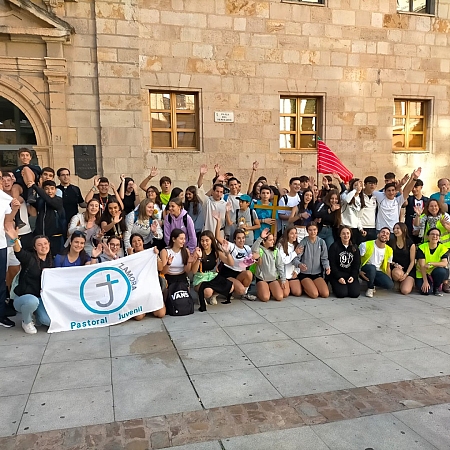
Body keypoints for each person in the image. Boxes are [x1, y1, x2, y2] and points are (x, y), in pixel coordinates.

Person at [5, 223, 52, 333]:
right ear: (35, 247)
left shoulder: (51, 261)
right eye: (39, 245)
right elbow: (19, 253)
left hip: (41, 299)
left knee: (48, 321)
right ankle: (26, 322)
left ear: (49, 244)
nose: (43, 246)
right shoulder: (29, 258)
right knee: (32, 301)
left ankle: (37, 315)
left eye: (45, 243)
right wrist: (15, 240)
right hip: (23, 298)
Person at [213, 212, 256, 300]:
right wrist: (218, 221)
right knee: (240, 290)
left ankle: (244, 292)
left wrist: (254, 258)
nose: (241, 240)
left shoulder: (247, 248)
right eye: (239, 238)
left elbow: (250, 261)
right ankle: (231, 290)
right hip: (228, 273)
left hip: (239, 273)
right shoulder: (231, 246)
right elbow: (217, 237)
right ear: (235, 239)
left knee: (249, 273)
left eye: (243, 238)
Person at [413, 199, 450, 293]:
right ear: (428, 208)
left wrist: (444, 225)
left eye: (435, 206)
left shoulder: (445, 216)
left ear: (439, 207)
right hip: (428, 245)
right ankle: (429, 282)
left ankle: (444, 284)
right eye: (431, 206)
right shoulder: (424, 216)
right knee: (426, 265)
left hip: (444, 246)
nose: (434, 208)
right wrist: (417, 215)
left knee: (444, 267)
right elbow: (417, 224)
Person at [191, 231, 235, 311]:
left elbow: (231, 263)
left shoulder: (216, 252)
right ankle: (202, 295)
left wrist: (227, 252)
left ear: (211, 240)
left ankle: (214, 295)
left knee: (230, 287)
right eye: (202, 240)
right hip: (200, 277)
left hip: (212, 276)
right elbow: (193, 271)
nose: (204, 243)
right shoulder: (197, 251)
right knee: (208, 292)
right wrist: (199, 258)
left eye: (207, 240)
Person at [128, 233, 166, 319]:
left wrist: (156, 256)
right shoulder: (130, 256)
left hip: (151, 287)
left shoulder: (150, 253)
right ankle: (145, 308)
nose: (137, 243)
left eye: (139, 240)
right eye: (134, 242)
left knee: (161, 314)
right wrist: (130, 257)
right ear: (131, 245)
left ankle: (151, 306)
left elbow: (160, 268)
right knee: (138, 317)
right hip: (138, 289)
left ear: (143, 241)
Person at [372, 167, 421, 233]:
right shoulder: (380, 196)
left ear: (396, 192)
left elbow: (407, 190)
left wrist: (414, 178)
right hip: (380, 230)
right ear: (385, 192)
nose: (391, 192)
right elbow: (367, 191)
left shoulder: (398, 200)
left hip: (393, 230)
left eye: (393, 190)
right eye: (388, 191)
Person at [29, 180, 66, 256]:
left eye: (52, 189)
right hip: (41, 237)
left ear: (56, 190)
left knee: (56, 258)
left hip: (56, 238)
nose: (50, 191)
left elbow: (49, 200)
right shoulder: (40, 201)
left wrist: (35, 186)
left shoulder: (58, 200)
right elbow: (30, 201)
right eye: (46, 189)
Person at [0, 183, 20, 328]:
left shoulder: (3, 198)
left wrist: (15, 209)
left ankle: (1, 314)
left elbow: (7, 222)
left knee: (1, 282)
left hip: (0, 245)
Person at [251, 228, 288, 302]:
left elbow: (280, 265)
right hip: (262, 279)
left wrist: (283, 279)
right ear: (264, 242)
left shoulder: (275, 250)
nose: (273, 242)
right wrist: (260, 238)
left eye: (273, 239)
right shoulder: (260, 249)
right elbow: (253, 249)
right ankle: (263, 290)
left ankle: (269, 290)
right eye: (270, 240)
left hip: (273, 278)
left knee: (279, 297)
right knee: (265, 298)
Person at [297, 223, 330, 299]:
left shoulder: (321, 242)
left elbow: (324, 258)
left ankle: (311, 285)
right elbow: (296, 258)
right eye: (310, 230)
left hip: (317, 273)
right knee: (314, 294)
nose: (312, 232)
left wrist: (327, 267)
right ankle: (305, 287)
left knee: (325, 294)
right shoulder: (304, 242)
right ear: (307, 231)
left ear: (317, 230)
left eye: (314, 230)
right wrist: (300, 265)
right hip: (305, 273)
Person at [359, 228, 394, 298]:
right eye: (383, 232)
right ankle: (370, 287)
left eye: (387, 234)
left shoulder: (389, 250)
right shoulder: (365, 245)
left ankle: (372, 282)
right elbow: (356, 259)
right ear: (378, 234)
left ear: (388, 238)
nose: (384, 234)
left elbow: (388, 267)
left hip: (377, 271)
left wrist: (389, 279)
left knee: (390, 285)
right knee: (372, 268)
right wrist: (358, 271)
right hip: (365, 269)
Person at [328, 226, 361, 298]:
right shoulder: (334, 247)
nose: (346, 236)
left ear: (350, 234)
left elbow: (356, 264)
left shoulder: (355, 247)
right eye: (343, 233)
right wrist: (339, 277)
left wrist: (353, 276)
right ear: (340, 235)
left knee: (355, 294)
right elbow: (332, 264)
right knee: (342, 294)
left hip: (350, 274)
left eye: (347, 233)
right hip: (337, 275)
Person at [416, 228, 449, 296]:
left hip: (434, 271)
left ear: (439, 237)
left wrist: (430, 263)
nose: (435, 236)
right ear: (428, 236)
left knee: (442, 271)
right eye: (432, 234)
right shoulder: (422, 247)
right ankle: (429, 282)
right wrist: (425, 281)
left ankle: (436, 288)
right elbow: (422, 266)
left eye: (437, 235)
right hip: (422, 272)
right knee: (425, 292)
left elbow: (445, 263)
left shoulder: (443, 248)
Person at [197, 164, 227, 237]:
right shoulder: (207, 201)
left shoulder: (225, 204)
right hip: (207, 233)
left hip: (220, 233)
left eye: (221, 192)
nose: (218, 194)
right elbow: (199, 188)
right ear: (213, 191)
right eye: (217, 191)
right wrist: (201, 175)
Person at [389, 222, 416, 295]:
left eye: (398, 228)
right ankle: (397, 281)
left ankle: (408, 282)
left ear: (403, 230)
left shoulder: (410, 243)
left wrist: (406, 274)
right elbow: (388, 259)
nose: (395, 230)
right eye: (394, 228)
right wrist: (395, 264)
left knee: (405, 291)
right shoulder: (391, 242)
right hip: (397, 269)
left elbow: (412, 261)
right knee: (397, 273)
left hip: (408, 270)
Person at [277, 226, 303, 296]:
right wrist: (295, 253)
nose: (294, 235)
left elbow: (300, 260)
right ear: (287, 234)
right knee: (285, 294)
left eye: (295, 233)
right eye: (292, 233)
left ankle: (290, 287)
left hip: (292, 274)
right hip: (283, 275)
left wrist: (297, 271)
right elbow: (284, 261)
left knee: (298, 293)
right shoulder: (281, 244)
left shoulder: (298, 244)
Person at [340, 178, 367, 245]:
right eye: (356, 185)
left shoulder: (361, 199)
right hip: (344, 226)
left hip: (354, 228)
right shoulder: (346, 193)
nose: (358, 187)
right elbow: (346, 200)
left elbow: (358, 216)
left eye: (360, 185)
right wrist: (354, 190)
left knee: (353, 247)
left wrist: (361, 229)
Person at [404, 179, 428, 244]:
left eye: (416, 187)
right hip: (409, 229)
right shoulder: (409, 199)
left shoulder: (427, 200)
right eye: (412, 187)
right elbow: (403, 203)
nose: (414, 189)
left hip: (422, 231)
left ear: (421, 187)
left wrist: (420, 231)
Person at [359, 176, 378, 242]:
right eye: (370, 183)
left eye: (374, 183)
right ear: (365, 185)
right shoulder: (359, 195)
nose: (372, 185)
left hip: (373, 227)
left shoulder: (376, 196)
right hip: (361, 227)